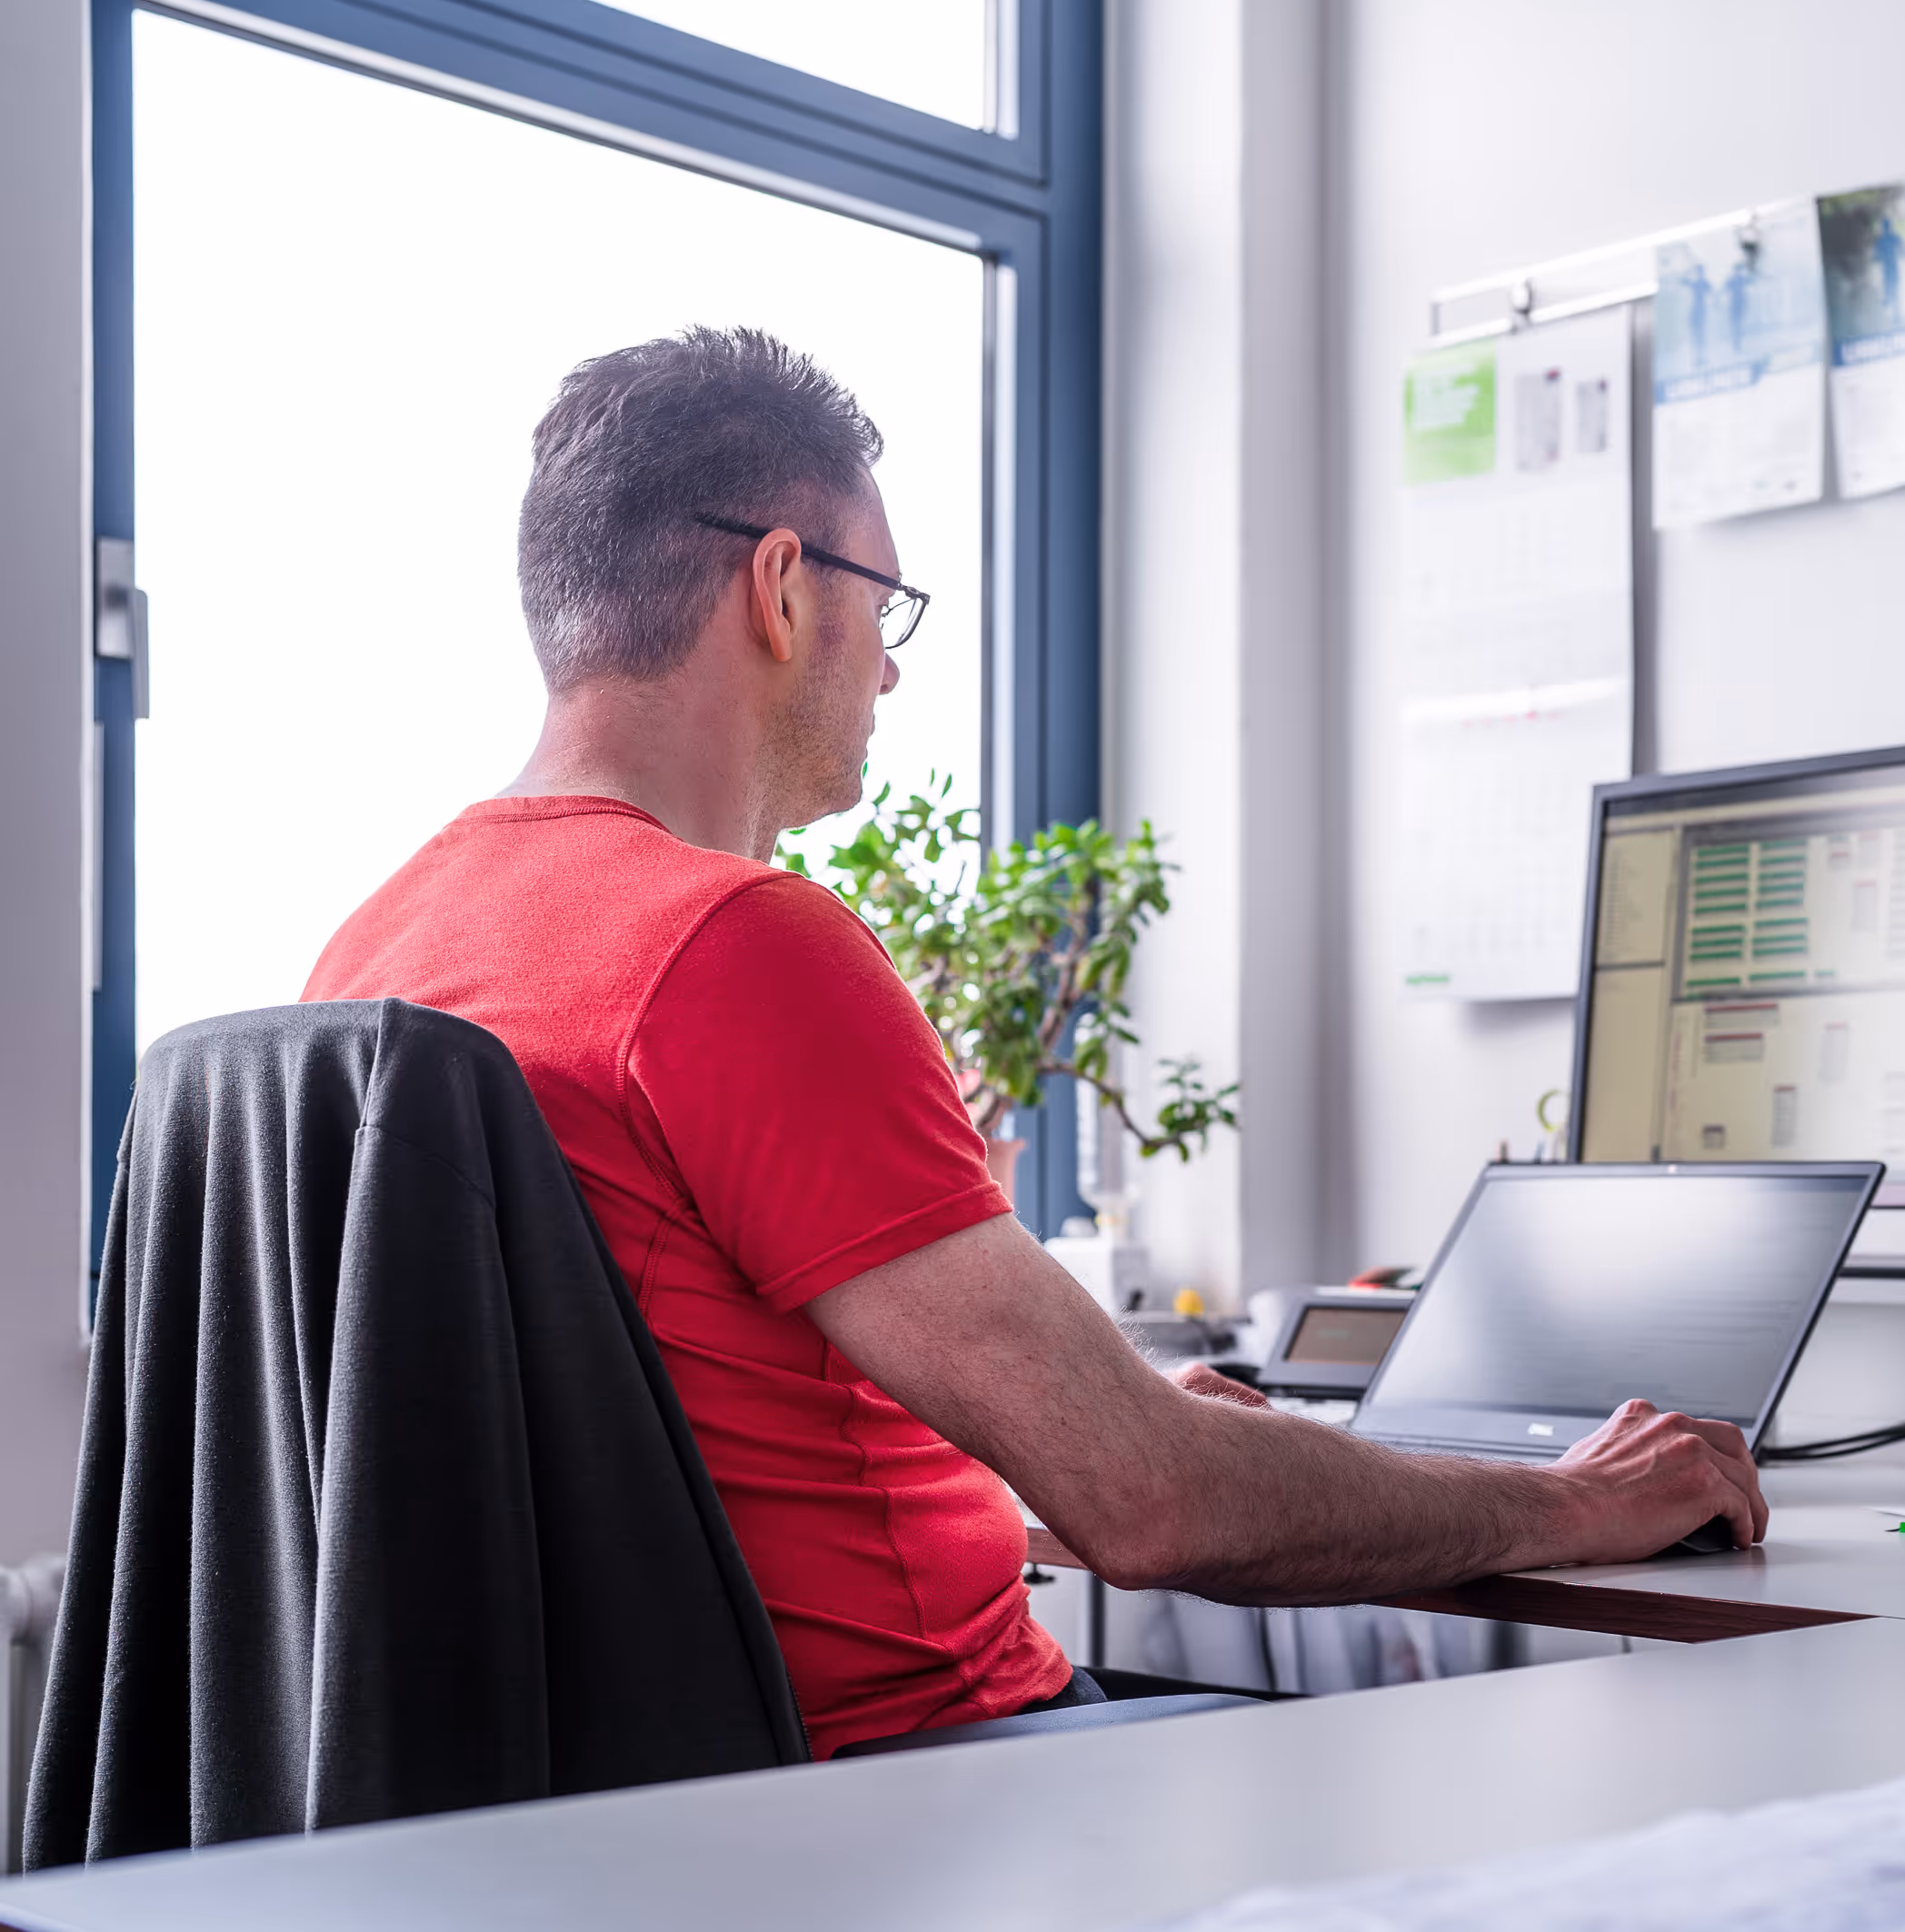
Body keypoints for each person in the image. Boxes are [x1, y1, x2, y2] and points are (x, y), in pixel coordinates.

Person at [304, 328, 1766, 1758]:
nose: (888, 673)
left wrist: (1080, 1427)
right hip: (922, 1786)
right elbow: (1155, 1509)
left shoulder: (373, 953)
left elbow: (665, 1463)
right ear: (782, 587)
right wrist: (1574, 1501)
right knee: (1498, 1781)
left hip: (613, 1816)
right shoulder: (733, 944)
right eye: (888, 602)